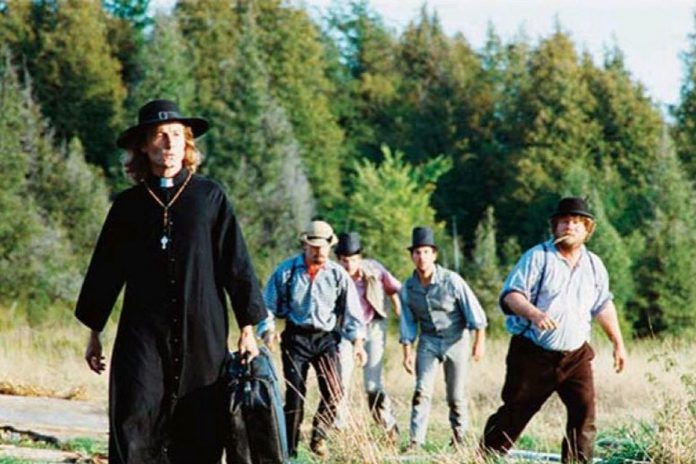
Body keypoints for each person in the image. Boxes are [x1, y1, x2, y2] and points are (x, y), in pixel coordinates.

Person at [75, 99, 267, 464]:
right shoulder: (128, 206)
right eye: (160, 135)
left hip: (203, 333)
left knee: (201, 423)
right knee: (136, 416)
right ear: (144, 146)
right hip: (143, 335)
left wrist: (248, 326)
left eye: (177, 135)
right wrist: (94, 332)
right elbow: (105, 269)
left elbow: (236, 263)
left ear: (187, 143)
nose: (169, 143)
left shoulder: (210, 197)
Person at [480, 197, 627, 463]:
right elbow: (512, 295)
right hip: (533, 353)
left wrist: (618, 343)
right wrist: (534, 313)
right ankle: (484, 457)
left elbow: (603, 305)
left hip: (576, 355)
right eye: (564, 222)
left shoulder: (594, 265)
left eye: (576, 223)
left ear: (587, 229)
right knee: (516, 411)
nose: (569, 227)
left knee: (584, 414)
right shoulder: (538, 257)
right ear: (555, 227)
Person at [258, 220, 367, 459]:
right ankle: (290, 449)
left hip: (326, 338)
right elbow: (266, 306)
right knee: (295, 395)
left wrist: (358, 342)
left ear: (330, 246)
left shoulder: (338, 275)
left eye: (323, 247)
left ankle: (319, 436)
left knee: (335, 390)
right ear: (305, 245)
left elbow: (352, 313)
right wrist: (267, 330)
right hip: (296, 337)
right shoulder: (286, 272)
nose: (318, 251)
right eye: (313, 246)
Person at [400, 226, 488, 449]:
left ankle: (460, 438)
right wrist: (407, 352)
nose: (422, 258)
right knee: (421, 391)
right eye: (417, 252)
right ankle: (415, 441)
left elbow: (474, 311)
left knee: (455, 396)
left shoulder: (452, 280)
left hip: (456, 339)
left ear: (434, 254)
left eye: (426, 252)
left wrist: (479, 342)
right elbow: (408, 323)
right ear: (412, 256)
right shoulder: (409, 287)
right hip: (428, 340)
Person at [333, 232, 401, 441]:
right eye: (344, 260)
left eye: (353, 260)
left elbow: (395, 289)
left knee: (372, 385)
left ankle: (387, 425)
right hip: (344, 330)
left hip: (372, 327)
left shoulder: (375, 270)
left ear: (360, 258)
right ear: (339, 260)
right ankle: (340, 429)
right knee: (340, 382)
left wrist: (400, 314)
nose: (349, 265)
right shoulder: (333, 274)